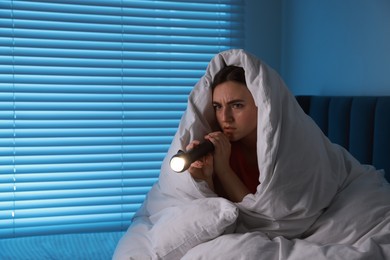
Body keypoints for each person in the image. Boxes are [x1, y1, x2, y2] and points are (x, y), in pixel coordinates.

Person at [186, 65, 260, 203]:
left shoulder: (283, 152)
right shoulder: (222, 149)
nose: (225, 117)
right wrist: (203, 179)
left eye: (236, 105)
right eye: (218, 107)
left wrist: (224, 169)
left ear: (261, 104)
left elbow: (261, 215)